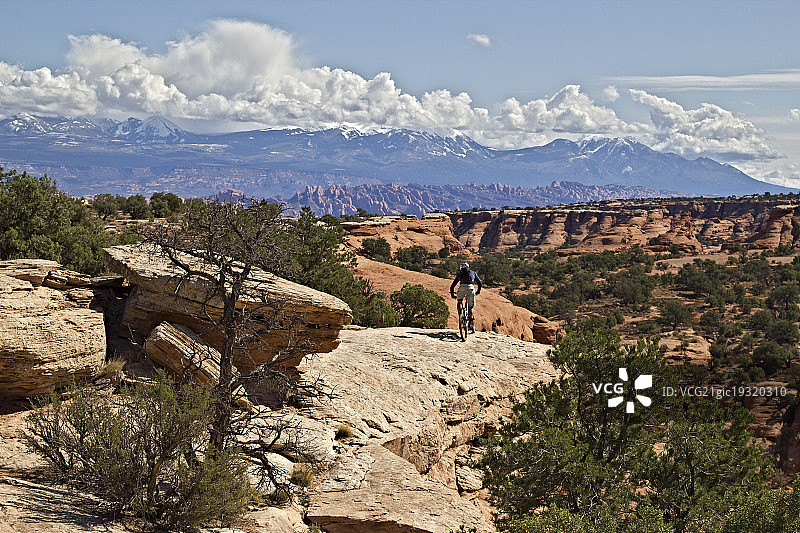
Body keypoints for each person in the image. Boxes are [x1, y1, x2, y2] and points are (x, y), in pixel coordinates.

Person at [450, 262, 482, 332]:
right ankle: (471, 321)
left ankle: (460, 314)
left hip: (462, 287)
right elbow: (479, 283)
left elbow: (452, 285)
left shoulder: (460, 274)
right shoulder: (473, 273)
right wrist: (478, 291)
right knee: (470, 307)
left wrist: (452, 294)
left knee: (459, 301)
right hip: (471, 288)